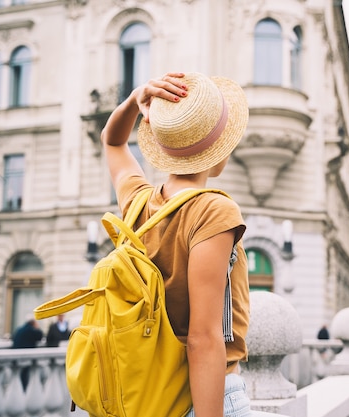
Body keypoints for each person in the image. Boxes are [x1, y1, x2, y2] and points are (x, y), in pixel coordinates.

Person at [101, 71, 253, 417]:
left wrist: (135, 98)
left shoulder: (138, 202)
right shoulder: (213, 210)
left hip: (150, 393)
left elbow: (112, 142)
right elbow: (202, 338)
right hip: (207, 397)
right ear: (219, 150)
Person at [12, 317, 44, 390]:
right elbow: (40, 335)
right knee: (24, 375)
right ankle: (23, 389)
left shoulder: (20, 329)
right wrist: (37, 328)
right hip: (25, 356)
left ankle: (20, 389)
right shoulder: (30, 330)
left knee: (18, 374)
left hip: (16, 354)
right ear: (33, 323)